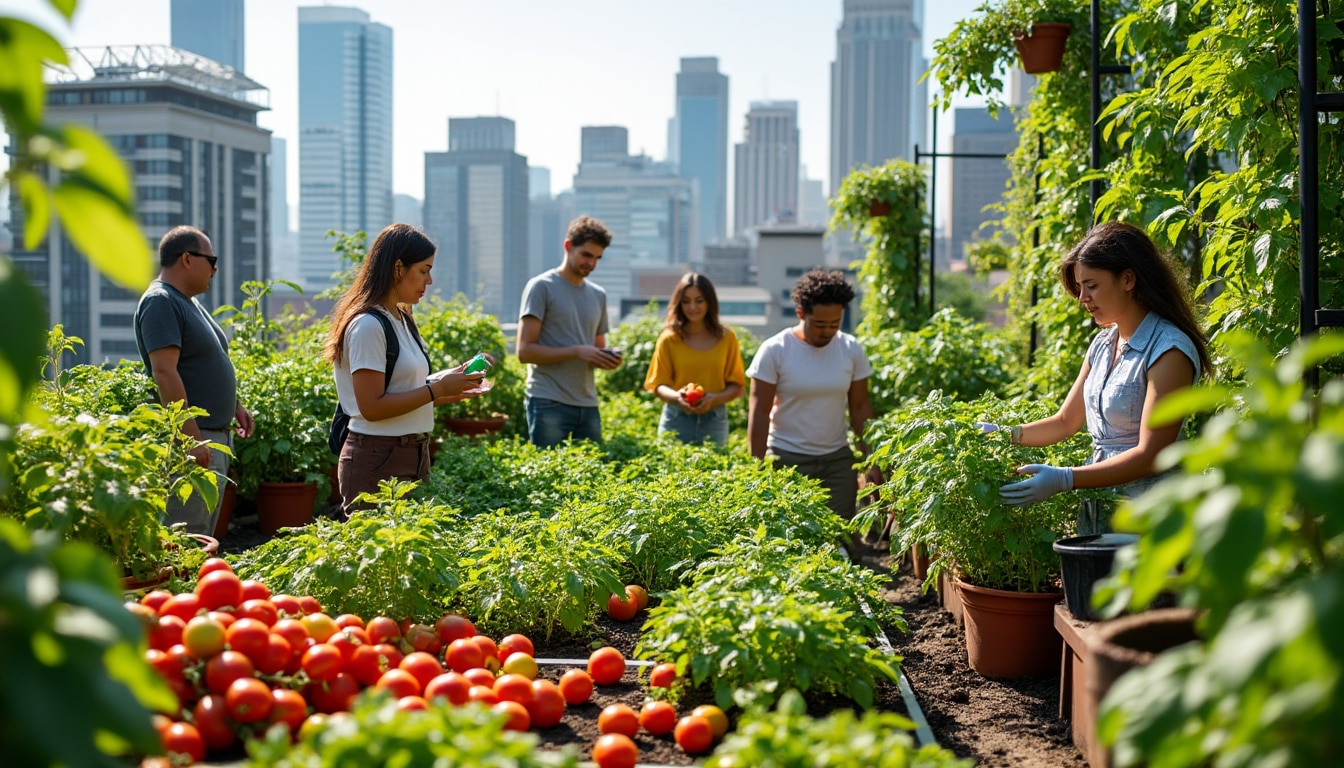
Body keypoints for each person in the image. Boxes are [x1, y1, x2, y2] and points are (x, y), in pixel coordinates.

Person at [984, 222, 1211, 532]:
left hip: (1152, 516)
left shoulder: (1169, 350)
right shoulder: (1104, 344)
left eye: (1091, 285)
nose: (1082, 298)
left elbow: (1151, 454)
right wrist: (1004, 434)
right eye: (1079, 288)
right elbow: (1065, 421)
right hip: (1100, 512)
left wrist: (1066, 478)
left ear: (1128, 279)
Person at [324, 224, 484, 515]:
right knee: (375, 555)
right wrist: (438, 389)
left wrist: (452, 385)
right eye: (424, 270)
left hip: (413, 453)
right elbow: (371, 407)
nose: (430, 280)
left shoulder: (402, 319)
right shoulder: (368, 325)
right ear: (398, 268)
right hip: (377, 456)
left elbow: (407, 389)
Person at [134, 225, 254, 536]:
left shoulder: (187, 302)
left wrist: (234, 405)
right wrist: (190, 438)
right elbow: (164, 371)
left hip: (214, 435)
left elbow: (202, 361)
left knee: (202, 538)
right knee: (187, 539)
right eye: (211, 260)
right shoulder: (161, 302)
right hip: (197, 439)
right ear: (187, 259)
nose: (215, 269)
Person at [745, 269, 883, 521]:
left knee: (842, 536)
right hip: (787, 459)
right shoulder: (775, 350)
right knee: (793, 538)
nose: (828, 331)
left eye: (835, 324)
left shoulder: (850, 349)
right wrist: (757, 467)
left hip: (837, 461)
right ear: (801, 314)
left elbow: (861, 408)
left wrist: (870, 462)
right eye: (820, 324)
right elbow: (760, 411)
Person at [516, 215, 621, 447]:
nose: (591, 264)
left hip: (588, 404)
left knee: (594, 478)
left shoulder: (599, 295)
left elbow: (597, 349)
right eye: (586, 255)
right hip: (548, 401)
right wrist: (577, 351)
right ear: (568, 246)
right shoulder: (541, 287)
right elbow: (524, 352)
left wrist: (607, 358)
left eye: (597, 258)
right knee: (549, 478)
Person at [643, 273, 745, 446]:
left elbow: (737, 385)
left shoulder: (727, 338)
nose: (692, 307)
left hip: (714, 420)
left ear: (709, 302)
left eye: (699, 300)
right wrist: (678, 398)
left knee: (715, 470)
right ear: (678, 303)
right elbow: (658, 384)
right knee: (669, 470)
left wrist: (714, 399)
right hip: (676, 419)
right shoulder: (669, 338)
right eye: (686, 301)